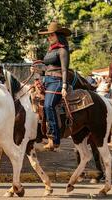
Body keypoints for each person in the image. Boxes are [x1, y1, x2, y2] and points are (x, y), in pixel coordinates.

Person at [38, 21, 71, 150]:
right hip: (47, 80)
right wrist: (38, 72)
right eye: (48, 35)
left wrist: (64, 86)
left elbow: (64, 70)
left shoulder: (62, 50)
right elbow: (48, 69)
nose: (49, 38)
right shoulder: (51, 50)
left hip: (57, 82)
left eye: (51, 35)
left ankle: (54, 138)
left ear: (58, 35)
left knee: (48, 105)